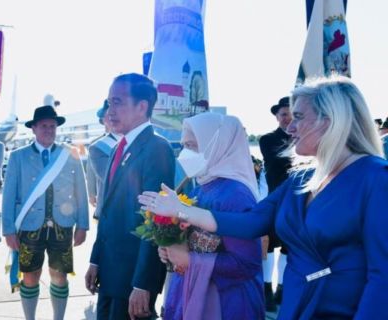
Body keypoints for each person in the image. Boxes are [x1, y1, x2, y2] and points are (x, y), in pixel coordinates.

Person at [140, 75, 388, 319]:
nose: (289, 127)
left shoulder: (376, 179)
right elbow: (251, 223)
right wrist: (178, 210)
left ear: (330, 121)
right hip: (295, 306)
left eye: (298, 117)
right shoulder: (301, 179)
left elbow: (382, 277)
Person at [153, 113, 264, 320]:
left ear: (218, 145)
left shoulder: (236, 194)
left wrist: (189, 259)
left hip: (223, 303)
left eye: (193, 145)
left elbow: (246, 264)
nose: (185, 153)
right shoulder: (201, 187)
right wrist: (170, 248)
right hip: (194, 294)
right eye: (184, 145)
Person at [85, 73, 175, 320]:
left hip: (133, 280)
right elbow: (107, 210)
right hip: (110, 273)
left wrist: (144, 284)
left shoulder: (157, 149)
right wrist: (95, 261)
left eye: (117, 102)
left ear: (142, 106)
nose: (109, 110)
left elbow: (157, 222)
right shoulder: (118, 147)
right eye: (109, 102)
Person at [2, 105, 89, 320]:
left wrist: (83, 225)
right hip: (30, 226)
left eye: (52, 126)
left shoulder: (69, 154)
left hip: (63, 225)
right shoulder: (18, 157)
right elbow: (8, 196)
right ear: (34, 129)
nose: (49, 130)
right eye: (44, 126)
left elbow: (81, 190)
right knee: (31, 276)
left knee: (59, 276)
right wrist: (8, 230)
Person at [258, 96, 292, 310]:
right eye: (283, 115)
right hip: (275, 200)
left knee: (289, 247)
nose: (287, 119)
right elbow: (279, 161)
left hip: (298, 202)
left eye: (292, 114)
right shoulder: (267, 139)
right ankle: (266, 288)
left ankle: (281, 288)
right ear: (277, 117)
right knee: (269, 247)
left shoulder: (305, 137)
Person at [85, 100, 119, 218]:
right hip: (106, 201)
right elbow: (90, 170)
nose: (112, 119)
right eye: (108, 116)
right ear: (103, 121)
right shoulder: (97, 145)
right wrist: (92, 193)